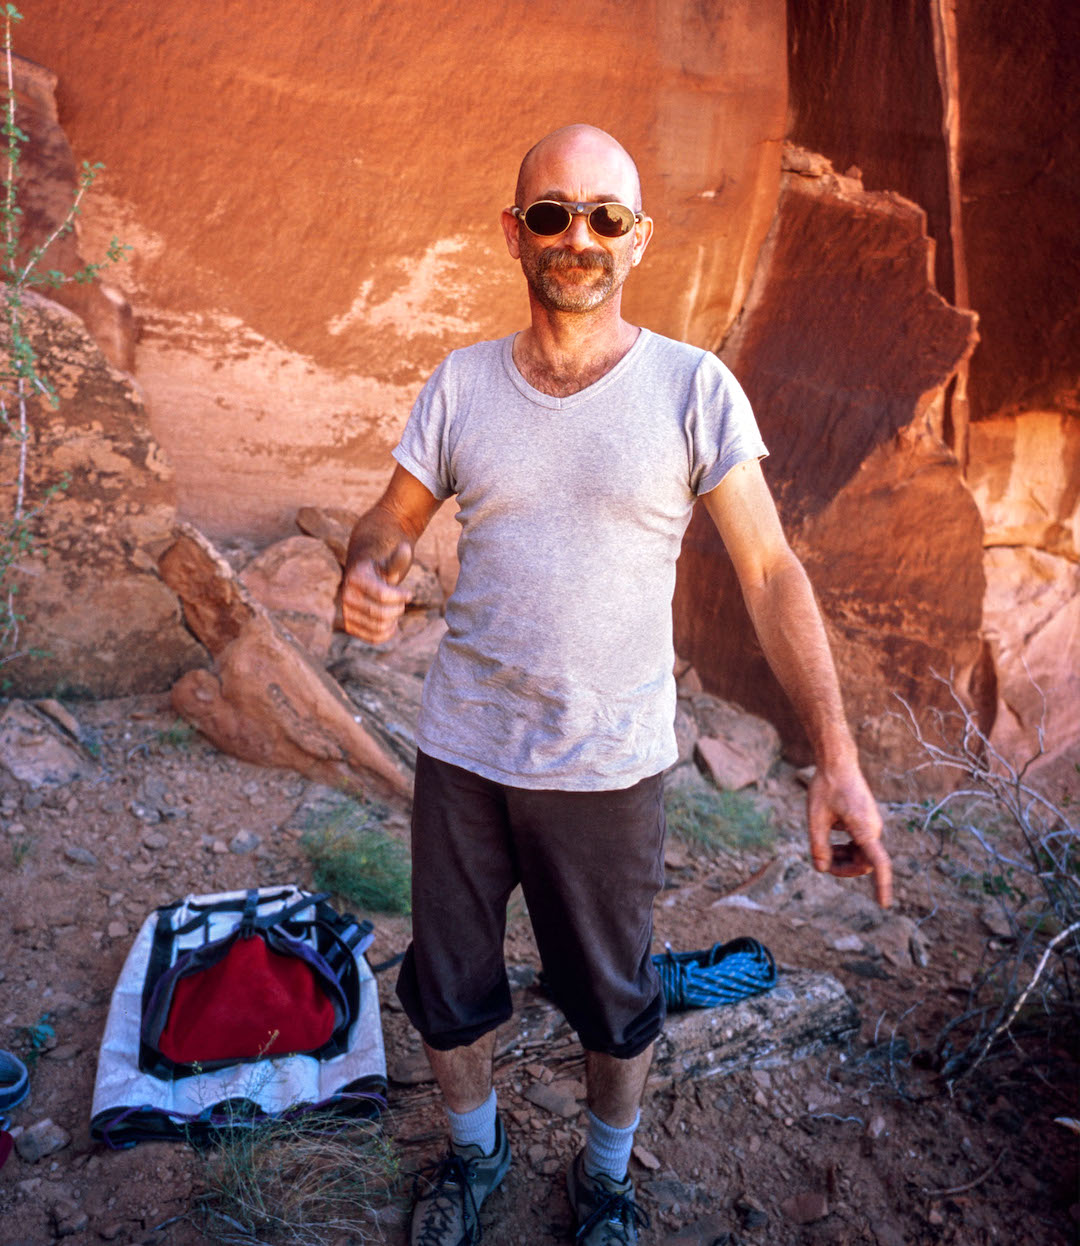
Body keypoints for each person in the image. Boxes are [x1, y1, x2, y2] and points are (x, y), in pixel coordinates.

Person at [341, 124, 892, 1246]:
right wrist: (370, 566)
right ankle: (476, 1155)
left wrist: (836, 757)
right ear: (515, 233)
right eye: (552, 214)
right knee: (447, 987)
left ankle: (603, 1179)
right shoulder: (463, 383)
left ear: (639, 239)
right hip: (465, 748)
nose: (578, 236)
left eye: (605, 217)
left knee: (611, 999)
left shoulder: (693, 389)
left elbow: (771, 572)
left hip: (606, 763)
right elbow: (388, 520)